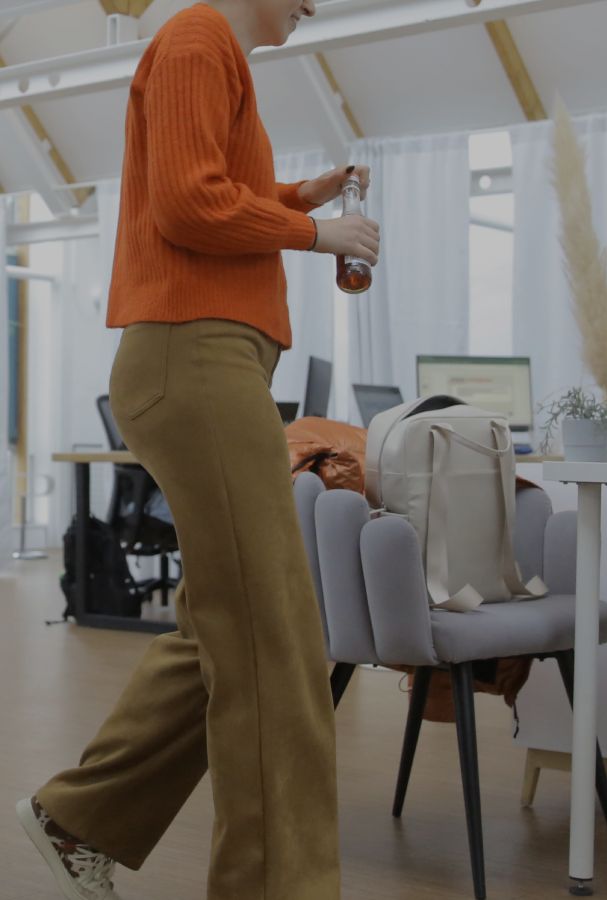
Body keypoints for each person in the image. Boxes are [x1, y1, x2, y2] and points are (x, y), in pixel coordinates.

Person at [15, 2, 379, 898]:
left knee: (230, 625)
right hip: (195, 354)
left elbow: (213, 192)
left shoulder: (215, 54)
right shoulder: (195, 38)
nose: (313, 4)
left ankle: (80, 819)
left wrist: (302, 196)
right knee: (281, 638)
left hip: (214, 356)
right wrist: (315, 232)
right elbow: (184, 205)